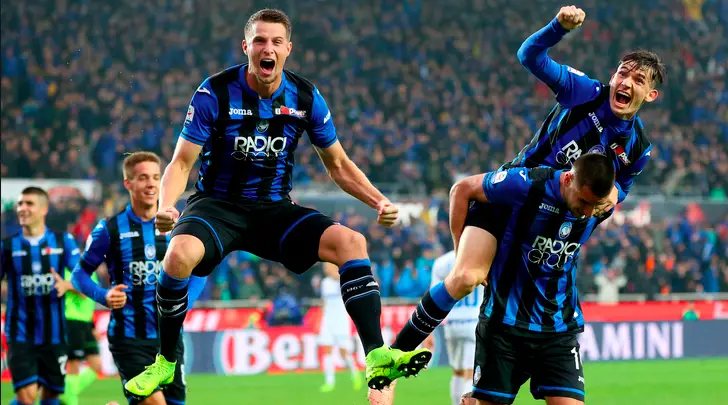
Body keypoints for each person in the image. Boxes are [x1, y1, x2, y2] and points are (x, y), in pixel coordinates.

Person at [124, 8, 429, 396]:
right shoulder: (214, 92)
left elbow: (338, 164)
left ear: (288, 49)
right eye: (260, 41)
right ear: (246, 47)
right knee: (178, 255)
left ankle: (376, 355)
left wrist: (379, 201)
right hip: (217, 206)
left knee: (352, 243)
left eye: (276, 41)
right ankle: (166, 362)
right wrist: (167, 206)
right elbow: (182, 161)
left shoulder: (306, 97)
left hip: (273, 210)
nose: (267, 48)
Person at [391, 152, 617, 405]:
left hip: (558, 329)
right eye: (583, 201)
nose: (587, 212)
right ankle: (395, 354)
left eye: (595, 205)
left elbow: (627, 168)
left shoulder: (602, 202)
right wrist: (461, 253)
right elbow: (462, 189)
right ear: (568, 179)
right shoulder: (527, 184)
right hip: (504, 327)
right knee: (464, 280)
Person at [71, 152, 207, 405]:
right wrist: (103, 295)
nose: (151, 184)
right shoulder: (110, 229)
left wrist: (184, 302)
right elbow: (79, 275)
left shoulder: (181, 226)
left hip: (169, 340)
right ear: (128, 183)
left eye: (156, 177)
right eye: (143, 178)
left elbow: (200, 271)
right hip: (129, 338)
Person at [1, 187, 81, 405]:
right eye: (20, 204)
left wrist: (68, 285)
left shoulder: (63, 241)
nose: (22, 208)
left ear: (44, 209)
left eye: (29, 203)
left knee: (51, 395)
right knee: (27, 396)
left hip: (55, 334)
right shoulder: (7, 246)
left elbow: (83, 279)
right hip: (19, 333)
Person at [423, 250, 484, 405]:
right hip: (474, 322)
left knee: (457, 372)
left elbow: (434, 299)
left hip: (452, 324)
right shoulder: (482, 255)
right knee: (470, 374)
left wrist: (429, 331)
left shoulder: (442, 262)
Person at [54, 266, 103, 405]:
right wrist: (74, 286)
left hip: (86, 322)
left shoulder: (91, 271)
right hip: (72, 320)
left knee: (96, 365)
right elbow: (83, 292)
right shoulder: (69, 268)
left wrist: (92, 326)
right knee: (73, 364)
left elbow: (88, 299)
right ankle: (70, 400)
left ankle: (66, 392)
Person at [317, 262, 363, 392]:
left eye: (328, 266)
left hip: (341, 319)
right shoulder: (324, 283)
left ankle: (355, 374)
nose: (326, 269)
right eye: (325, 267)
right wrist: (321, 317)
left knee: (343, 352)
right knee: (327, 349)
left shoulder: (342, 281)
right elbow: (324, 301)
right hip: (328, 319)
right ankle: (329, 382)